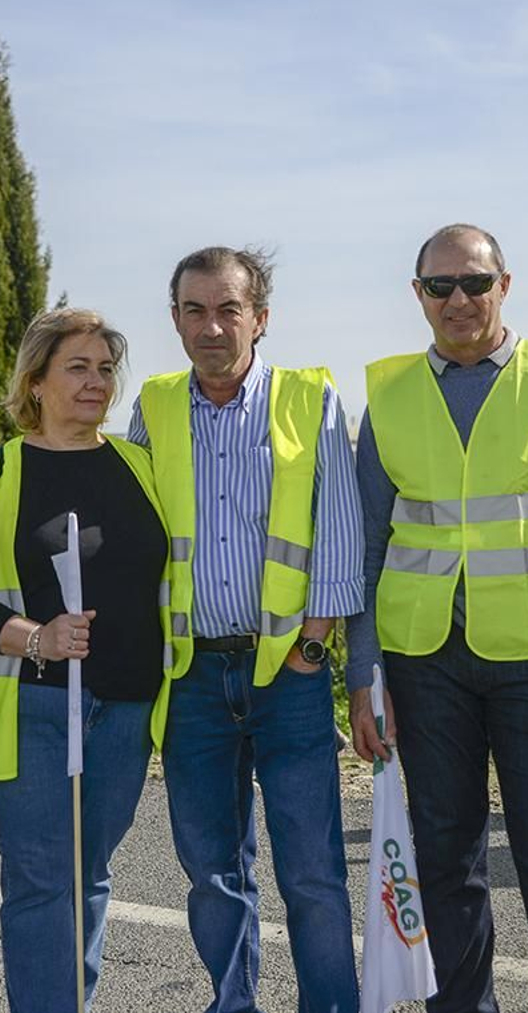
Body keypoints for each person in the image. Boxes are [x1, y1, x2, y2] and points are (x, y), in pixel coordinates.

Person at [347, 223, 528, 1013]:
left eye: (475, 283)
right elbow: (366, 545)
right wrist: (364, 672)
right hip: (422, 660)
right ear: (419, 297)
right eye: (441, 287)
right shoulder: (388, 394)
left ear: (505, 285)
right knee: (444, 859)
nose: (459, 301)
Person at [127, 245, 364, 1013]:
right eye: (194, 310)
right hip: (192, 676)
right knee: (212, 874)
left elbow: (338, 531)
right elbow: (134, 537)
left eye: (229, 309)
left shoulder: (308, 398)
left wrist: (313, 644)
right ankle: (233, 1004)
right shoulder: (154, 406)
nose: (212, 326)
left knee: (313, 875)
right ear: (175, 321)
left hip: (287, 675)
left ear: (261, 319)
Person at [0, 308, 168, 1013]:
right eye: (78, 367)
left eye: (105, 368)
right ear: (36, 381)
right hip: (34, 707)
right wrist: (35, 636)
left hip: (127, 709)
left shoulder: (142, 467)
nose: (96, 381)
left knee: (91, 874)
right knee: (41, 880)